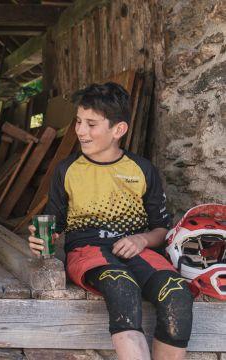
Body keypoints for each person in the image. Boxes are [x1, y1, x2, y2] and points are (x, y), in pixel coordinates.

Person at [28, 83, 194, 360]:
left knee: (178, 293)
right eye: (79, 122)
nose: (80, 131)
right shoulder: (67, 170)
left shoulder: (142, 169)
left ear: (119, 130)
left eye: (91, 124)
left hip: (138, 249)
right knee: (122, 285)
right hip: (88, 251)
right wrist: (41, 236)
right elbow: (54, 224)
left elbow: (161, 229)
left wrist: (141, 239)